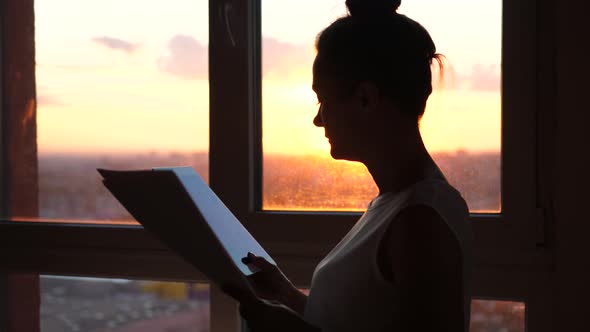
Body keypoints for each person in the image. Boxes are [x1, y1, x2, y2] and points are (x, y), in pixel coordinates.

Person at [225, 0, 473, 331]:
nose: (317, 119)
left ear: (365, 99)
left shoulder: (419, 223)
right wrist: (286, 295)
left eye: (322, 101)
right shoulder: (398, 205)